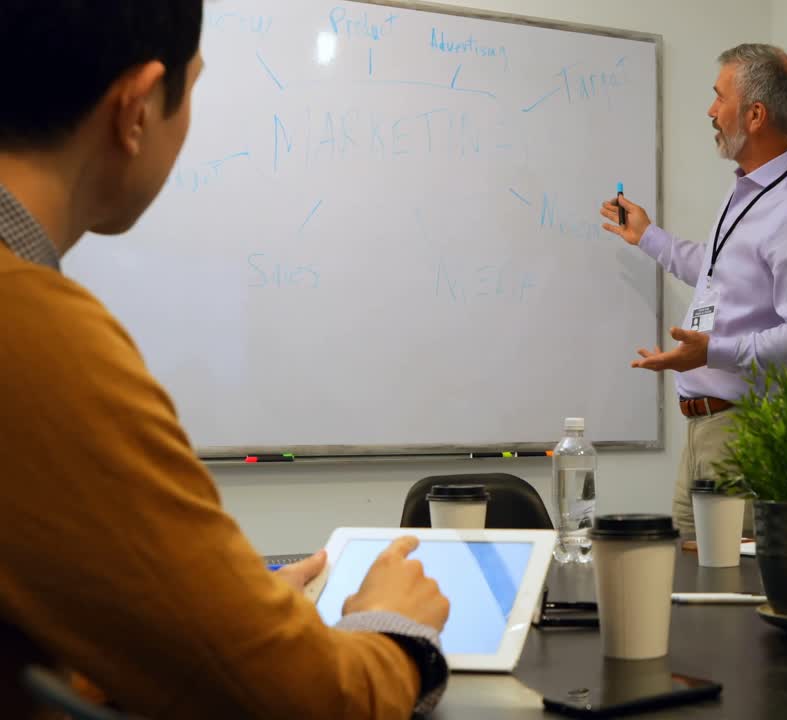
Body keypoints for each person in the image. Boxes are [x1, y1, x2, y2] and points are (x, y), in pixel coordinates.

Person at [0, 2, 451, 716]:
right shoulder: (32, 331)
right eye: (196, 87)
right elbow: (302, 703)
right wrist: (394, 630)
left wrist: (218, 620)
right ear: (138, 107)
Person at [599, 43, 787, 538]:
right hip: (703, 433)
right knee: (693, 586)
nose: (711, 111)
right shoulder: (748, 191)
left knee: (731, 595)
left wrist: (713, 352)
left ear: (755, 114)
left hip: (744, 434)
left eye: (719, 97)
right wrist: (648, 236)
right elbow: (720, 275)